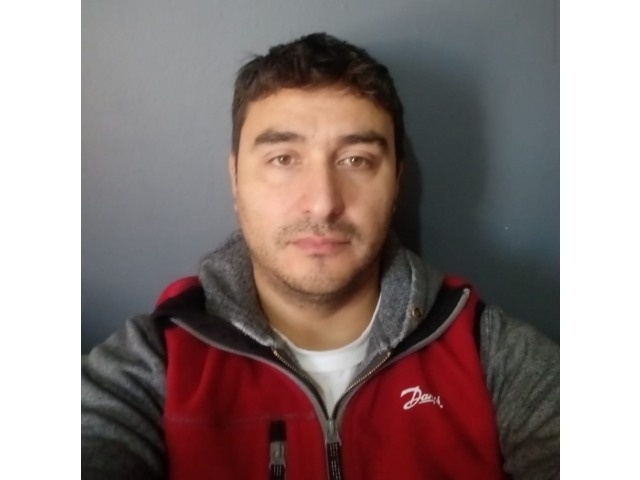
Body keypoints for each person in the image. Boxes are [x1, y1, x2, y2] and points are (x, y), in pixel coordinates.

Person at [81, 32, 559, 479]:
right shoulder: (152, 361)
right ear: (235, 180)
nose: (323, 202)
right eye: (283, 159)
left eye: (356, 160)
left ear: (395, 182)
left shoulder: (489, 352)